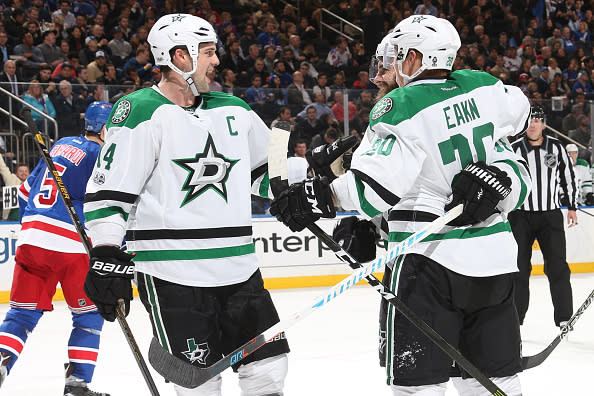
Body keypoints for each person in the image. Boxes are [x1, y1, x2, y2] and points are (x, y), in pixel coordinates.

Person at [270, 15, 532, 395]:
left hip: (428, 266)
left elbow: (369, 192)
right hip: (496, 261)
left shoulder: (400, 104)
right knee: (494, 382)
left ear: (414, 58)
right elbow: (517, 121)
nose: (382, 72)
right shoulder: (485, 87)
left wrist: (316, 196)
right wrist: (374, 226)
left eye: (392, 58)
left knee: (418, 386)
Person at [82, 14, 291, 396]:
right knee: (198, 382)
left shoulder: (234, 108)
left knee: (269, 368)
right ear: (180, 56)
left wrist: (316, 177)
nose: (217, 61)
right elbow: (109, 193)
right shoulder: (139, 110)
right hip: (172, 276)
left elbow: (271, 173)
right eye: (209, 52)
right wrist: (107, 249)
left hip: (239, 269)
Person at [0, 101, 113, 396]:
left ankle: (1, 361)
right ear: (104, 128)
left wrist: (36, 225)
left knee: (21, 315)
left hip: (31, 238)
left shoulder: (60, 144)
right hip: (72, 244)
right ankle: (77, 384)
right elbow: (109, 207)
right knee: (88, 316)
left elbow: (25, 192)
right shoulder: (103, 155)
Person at [509, 104, 578, 329]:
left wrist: (572, 207)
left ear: (544, 124)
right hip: (520, 217)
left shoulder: (557, 148)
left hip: (550, 216)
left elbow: (569, 178)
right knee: (519, 269)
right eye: (529, 120)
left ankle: (564, 317)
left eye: (537, 120)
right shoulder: (514, 149)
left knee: (557, 266)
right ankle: (516, 318)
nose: (533, 124)